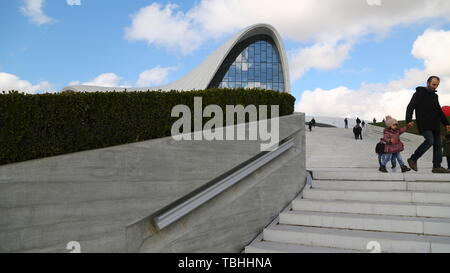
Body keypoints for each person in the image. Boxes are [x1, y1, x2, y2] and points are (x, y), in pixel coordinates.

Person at [405, 76, 450, 173]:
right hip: (424, 123)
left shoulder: (435, 96)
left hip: (435, 124)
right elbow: (410, 106)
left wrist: (446, 123)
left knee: (438, 145)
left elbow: (439, 110)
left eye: (437, 85)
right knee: (430, 141)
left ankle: (436, 166)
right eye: (434, 84)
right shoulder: (419, 94)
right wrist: (408, 120)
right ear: (428, 83)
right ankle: (413, 159)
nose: (435, 87)